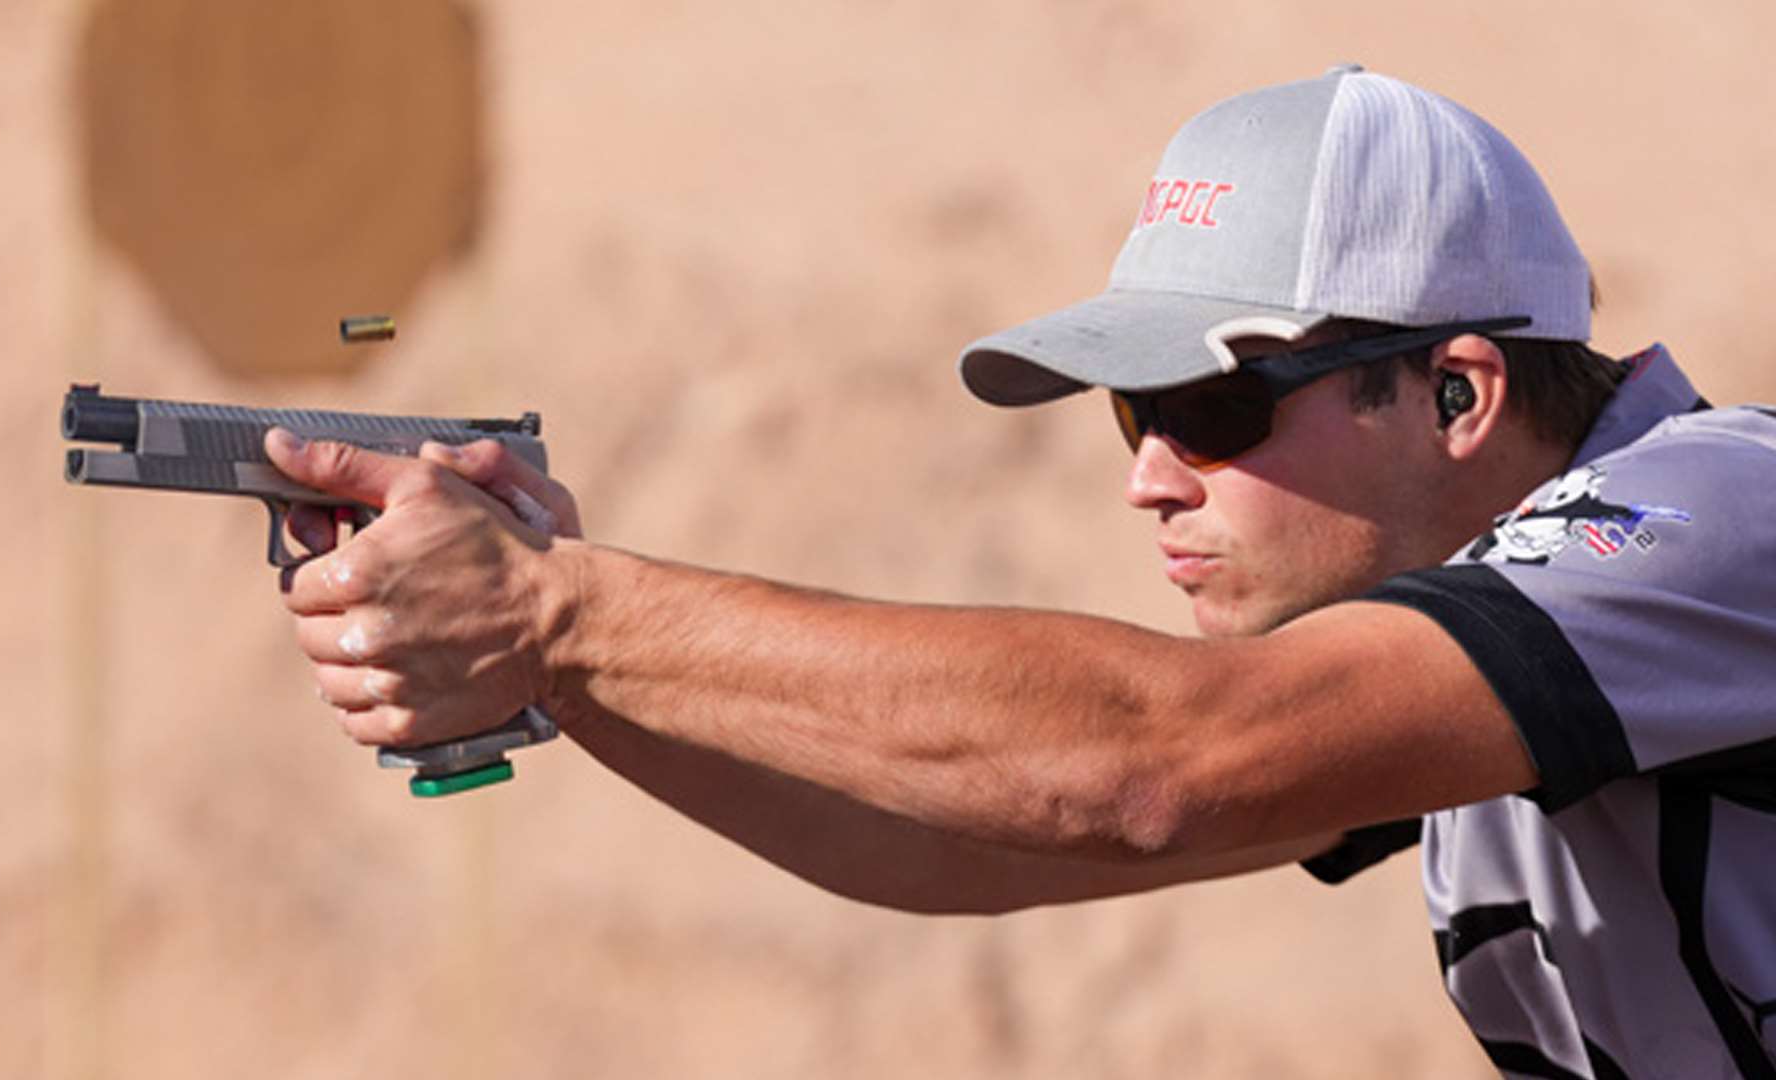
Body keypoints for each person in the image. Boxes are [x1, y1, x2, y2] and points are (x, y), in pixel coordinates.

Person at [265, 65, 1776, 1078]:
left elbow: (1149, 764)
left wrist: (559, 605)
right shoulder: (1496, 635)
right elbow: (960, 849)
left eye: (1212, 408)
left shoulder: (1721, 513)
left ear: (1458, 394)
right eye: (1137, 412)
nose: (1148, 474)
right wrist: (561, 658)